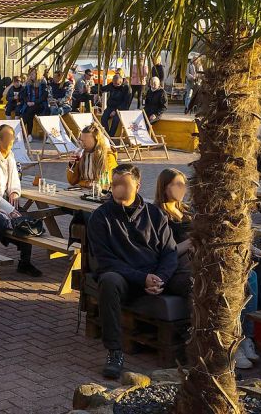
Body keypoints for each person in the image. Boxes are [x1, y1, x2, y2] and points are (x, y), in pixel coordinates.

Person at [88, 163, 189, 379]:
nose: (118, 189)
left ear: (137, 185)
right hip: (125, 277)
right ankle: (115, 352)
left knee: (194, 281)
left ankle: (199, 343)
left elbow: (169, 252)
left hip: (157, 275)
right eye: (115, 184)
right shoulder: (101, 217)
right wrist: (142, 278)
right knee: (108, 281)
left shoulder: (154, 214)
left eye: (124, 184)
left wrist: (161, 277)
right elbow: (105, 261)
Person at [0, 124, 41, 281]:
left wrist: (14, 191)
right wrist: (9, 208)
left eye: (12, 140)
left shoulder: (10, 155)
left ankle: (24, 262)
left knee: (27, 220)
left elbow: (14, 179)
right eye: (6, 140)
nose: (9, 144)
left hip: (3, 202)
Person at [19, 68, 48, 141]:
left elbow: (44, 96)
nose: (31, 76)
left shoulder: (42, 82)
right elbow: (23, 95)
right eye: (30, 74)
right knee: (28, 112)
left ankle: (20, 130)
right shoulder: (28, 83)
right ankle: (28, 135)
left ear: (37, 74)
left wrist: (34, 102)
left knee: (29, 111)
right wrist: (27, 102)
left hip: (41, 104)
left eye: (32, 74)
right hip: (30, 104)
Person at [100, 72, 132, 136]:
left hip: (121, 109)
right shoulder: (112, 84)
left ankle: (111, 136)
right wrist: (98, 92)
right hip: (110, 107)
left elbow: (126, 103)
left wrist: (116, 111)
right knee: (103, 118)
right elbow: (103, 89)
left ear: (121, 82)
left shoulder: (127, 88)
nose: (114, 85)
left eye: (116, 84)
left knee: (115, 120)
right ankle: (107, 135)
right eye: (113, 83)